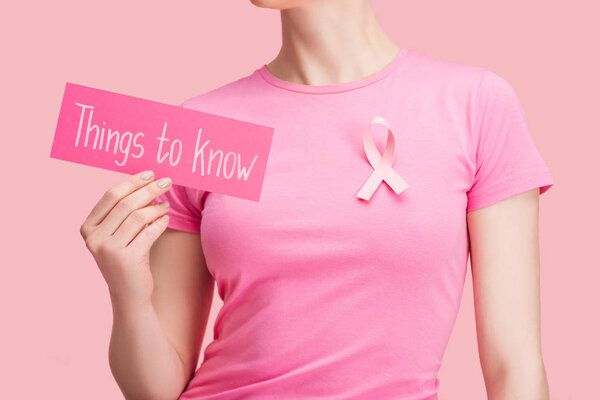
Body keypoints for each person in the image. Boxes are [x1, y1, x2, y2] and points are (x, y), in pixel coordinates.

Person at [79, 1, 554, 399]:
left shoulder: (474, 104)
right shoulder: (202, 129)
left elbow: (514, 364)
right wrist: (128, 291)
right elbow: (156, 390)